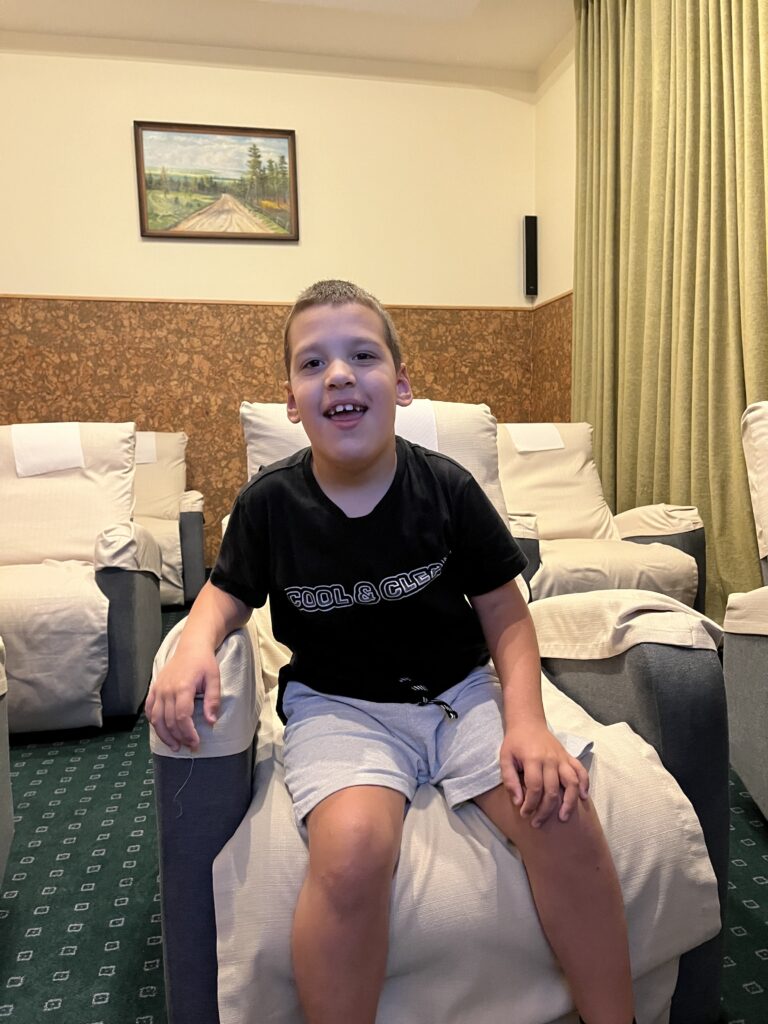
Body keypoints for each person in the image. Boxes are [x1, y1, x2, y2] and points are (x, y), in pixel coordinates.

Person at [146, 280, 636, 1024]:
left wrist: (527, 723)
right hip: (338, 709)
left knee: (560, 813)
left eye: (363, 356)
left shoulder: (448, 488)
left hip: (460, 694)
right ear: (291, 402)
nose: (339, 375)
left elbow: (506, 613)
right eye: (313, 364)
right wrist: (193, 644)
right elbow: (226, 592)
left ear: (401, 385)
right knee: (350, 852)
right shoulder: (269, 504)